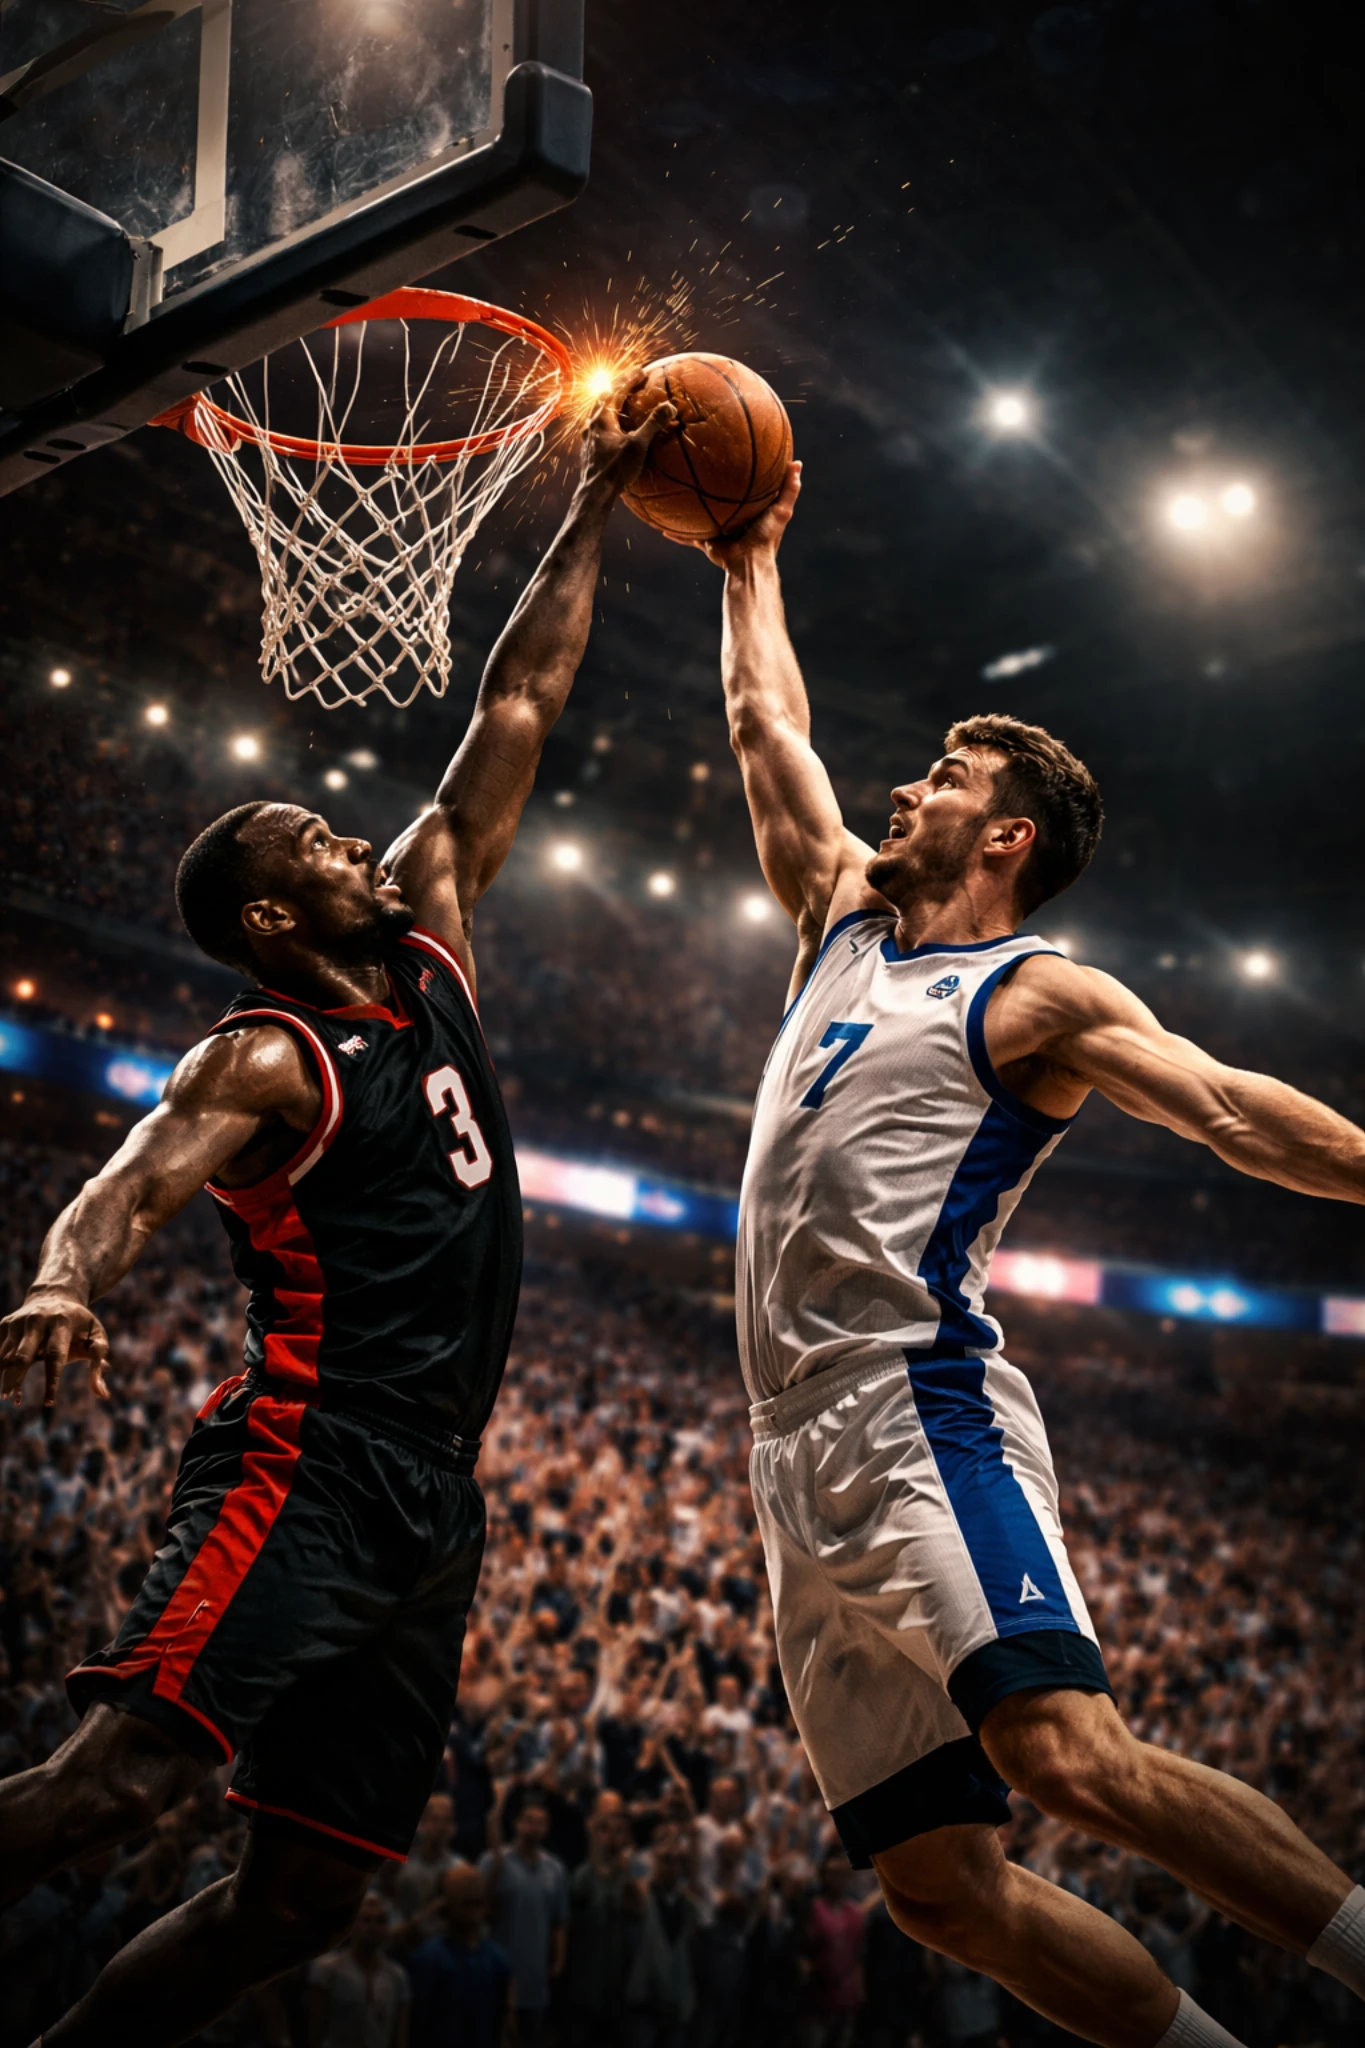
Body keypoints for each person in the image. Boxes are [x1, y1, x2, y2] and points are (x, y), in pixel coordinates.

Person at [0, 389, 676, 2048]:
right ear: (269, 909)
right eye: (322, 840)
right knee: (119, 1790)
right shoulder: (266, 1050)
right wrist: (62, 1275)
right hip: (308, 1458)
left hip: (431, 1502)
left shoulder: (428, 945)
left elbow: (519, 696)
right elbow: (137, 1175)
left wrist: (588, 500)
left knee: (305, 1901)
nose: (364, 841)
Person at [699, 459, 1365, 2048]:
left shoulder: (1038, 993)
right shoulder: (842, 920)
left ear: (1002, 834)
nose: (904, 783)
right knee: (935, 1888)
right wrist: (746, 556)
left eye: (943, 769)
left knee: (1063, 1754)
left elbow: (1228, 1112)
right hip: (787, 1451)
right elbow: (761, 732)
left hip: (913, 1406)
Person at [478, 1791, 567, 2045]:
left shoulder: (555, 1869)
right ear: (516, 1824)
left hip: (536, 1978)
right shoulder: (493, 1861)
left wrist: (559, 1959)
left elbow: (559, 1919)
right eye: (528, 1820)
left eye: (540, 1822)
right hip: (499, 1974)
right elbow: (480, 1908)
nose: (534, 1827)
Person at [408, 1866, 513, 2048]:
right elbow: (417, 2022)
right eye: (466, 1904)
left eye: (477, 1904)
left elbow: (505, 2021)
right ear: (448, 1906)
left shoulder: (497, 1960)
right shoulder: (428, 1958)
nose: (473, 1911)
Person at [307, 1889, 410, 2048]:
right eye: (366, 1920)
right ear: (352, 1925)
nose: (373, 1927)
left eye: (380, 1920)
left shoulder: (397, 1975)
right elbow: (314, 2032)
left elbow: (400, 2037)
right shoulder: (328, 1970)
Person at [799, 1850, 864, 2048]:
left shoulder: (854, 1912)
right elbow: (801, 1949)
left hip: (846, 1998)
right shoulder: (812, 1909)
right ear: (824, 1875)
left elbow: (859, 1956)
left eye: (843, 1873)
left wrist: (860, 1992)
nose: (838, 1880)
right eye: (833, 1873)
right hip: (818, 1997)